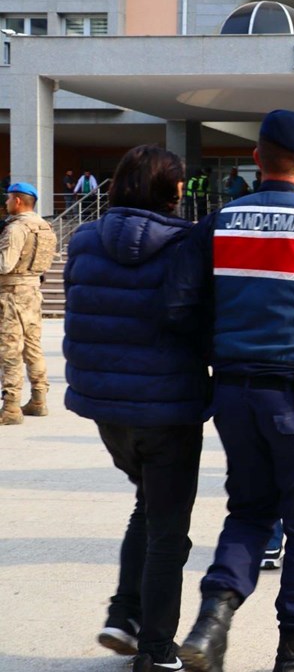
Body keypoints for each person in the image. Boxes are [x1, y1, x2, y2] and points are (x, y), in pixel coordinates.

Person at [168, 109, 294, 672]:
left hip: (233, 395)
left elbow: (179, 308)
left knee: (251, 511)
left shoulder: (215, 223)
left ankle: (211, 625)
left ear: (257, 160)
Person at [62, 145, 208, 671]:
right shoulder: (187, 245)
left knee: (148, 506)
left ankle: (123, 615)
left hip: (107, 409)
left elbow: (80, 312)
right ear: (172, 192)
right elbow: (198, 319)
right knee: (169, 528)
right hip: (168, 407)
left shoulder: (82, 240)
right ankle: (155, 650)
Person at [0, 182, 55, 425]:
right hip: (33, 291)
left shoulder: (16, 229)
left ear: (18, 201)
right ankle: (39, 399)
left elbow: (4, 265)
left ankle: (11, 407)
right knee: (33, 347)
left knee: (10, 349)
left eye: (9, 199)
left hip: (11, 293)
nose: (6, 203)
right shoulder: (45, 227)